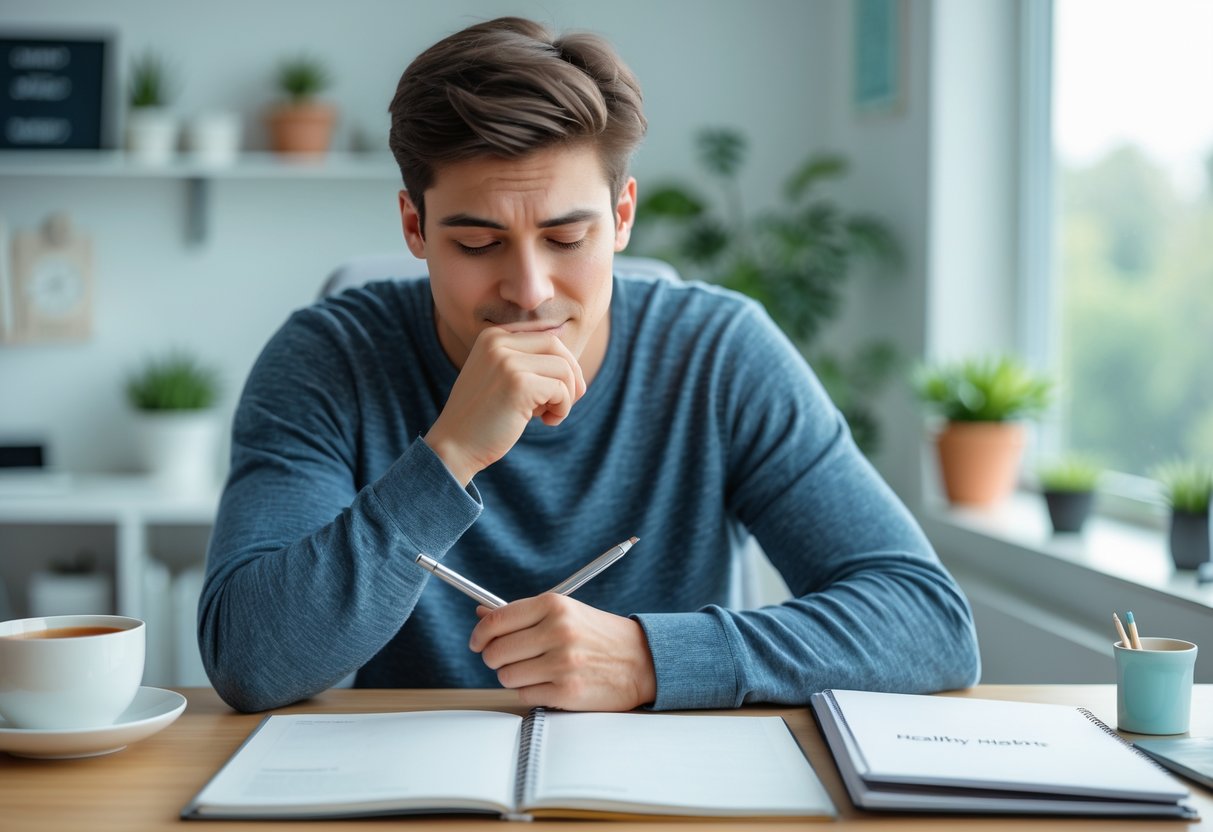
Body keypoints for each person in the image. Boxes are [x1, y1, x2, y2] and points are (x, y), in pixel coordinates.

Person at [199, 16, 980, 714]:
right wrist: (449, 456)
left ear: (623, 216)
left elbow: (926, 622)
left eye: (567, 239)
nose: (528, 290)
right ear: (415, 225)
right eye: (476, 243)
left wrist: (649, 659)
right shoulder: (326, 359)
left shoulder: (719, 352)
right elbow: (250, 663)